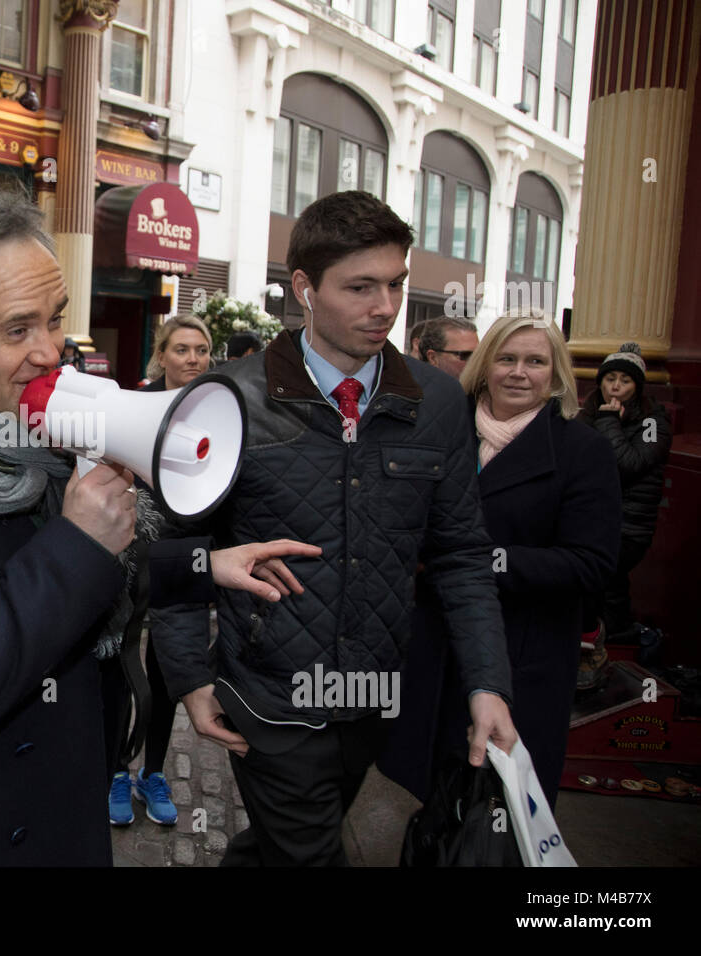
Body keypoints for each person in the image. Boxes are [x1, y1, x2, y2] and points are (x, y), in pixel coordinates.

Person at [0, 187, 317, 866]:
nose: (53, 352)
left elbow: (81, 573)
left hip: (65, 802)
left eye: (56, 320)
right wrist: (76, 542)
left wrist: (200, 566)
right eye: (19, 329)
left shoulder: (38, 437)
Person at [147, 190, 518, 866]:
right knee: (311, 854)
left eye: (396, 284)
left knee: (278, 848)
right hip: (268, 698)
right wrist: (188, 681)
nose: (385, 306)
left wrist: (487, 683)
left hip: (374, 698)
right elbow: (180, 551)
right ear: (304, 288)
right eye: (360, 287)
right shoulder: (228, 398)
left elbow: (463, 555)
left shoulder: (436, 403)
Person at [392, 312, 621, 809]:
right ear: (485, 366)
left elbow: (592, 563)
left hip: (525, 651)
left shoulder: (583, 450)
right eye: (507, 358)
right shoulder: (443, 433)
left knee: (495, 803)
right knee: (433, 784)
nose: (519, 372)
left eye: (536, 361)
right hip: (434, 639)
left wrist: (485, 561)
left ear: (556, 374)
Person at [103, 313, 214, 828]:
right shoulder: (136, 402)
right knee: (124, 667)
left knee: (168, 673)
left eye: (201, 350)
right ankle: (117, 771)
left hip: (185, 556)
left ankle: (153, 771)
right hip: (135, 551)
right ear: (162, 354)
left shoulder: (217, 409)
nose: (193, 359)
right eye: (183, 349)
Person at [576, 342, 671, 672]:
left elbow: (627, 464)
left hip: (628, 527)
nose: (615, 386)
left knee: (599, 582)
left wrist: (608, 422)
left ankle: (607, 653)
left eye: (625, 380)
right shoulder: (587, 412)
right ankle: (616, 651)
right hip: (592, 519)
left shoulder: (653, 423)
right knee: (610, 592)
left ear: (638, 386)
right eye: (609, 378)